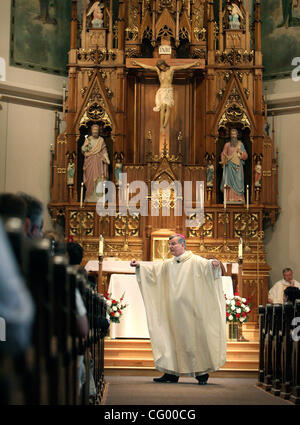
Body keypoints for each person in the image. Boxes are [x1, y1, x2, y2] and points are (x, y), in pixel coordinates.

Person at [130, 234, 226, 385]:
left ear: (182, 244)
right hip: (173, 311)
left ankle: (201, 373)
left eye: (173, 244)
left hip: (191, 310)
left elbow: (208, 265)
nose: (170, 247)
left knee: (193, 339)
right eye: (169, 244)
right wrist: (139, 266)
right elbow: (154, 270)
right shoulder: (168, 264)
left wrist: (213, 264)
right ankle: (171, 373)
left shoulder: (195, 261)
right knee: (171, 338)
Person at [131, 59, 200, 131]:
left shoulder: (171, 69)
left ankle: (164, 125)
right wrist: (137, 63)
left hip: (169, 90)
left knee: (168, 107)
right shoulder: (158, 70)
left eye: (162, 66)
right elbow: (147, 67)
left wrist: (193, 64)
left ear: (164, 64)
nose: (161, 68)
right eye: (160, 67)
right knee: (163, 106)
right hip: (162, 91)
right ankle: (161, 126)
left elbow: (183, 67)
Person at [81, 124, 110, 202]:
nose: (95, 132)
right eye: (94, 130)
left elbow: (104, 151)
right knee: (90, 180)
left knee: (99, 179)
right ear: (91, 131)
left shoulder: (101, 140)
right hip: (90, 162)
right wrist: (85, 146)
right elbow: (83, 150)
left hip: (98, 162)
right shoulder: (88, 139)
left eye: (96, 130)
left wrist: (106, 158)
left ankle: (98, 197)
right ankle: (89, 197)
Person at [220, 128, 248, 203]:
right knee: (229, 183)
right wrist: (223, 160)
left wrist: (241, 152)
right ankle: (229, 198)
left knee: (239, 181)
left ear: (237, 135)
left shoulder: (240, 144)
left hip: (238, 166)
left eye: (234, 134)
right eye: (232, 134)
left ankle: (239, 198)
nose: (233, 136)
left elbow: (245, 156)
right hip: (229, 166)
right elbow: (223, 153)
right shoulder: (227, 145)